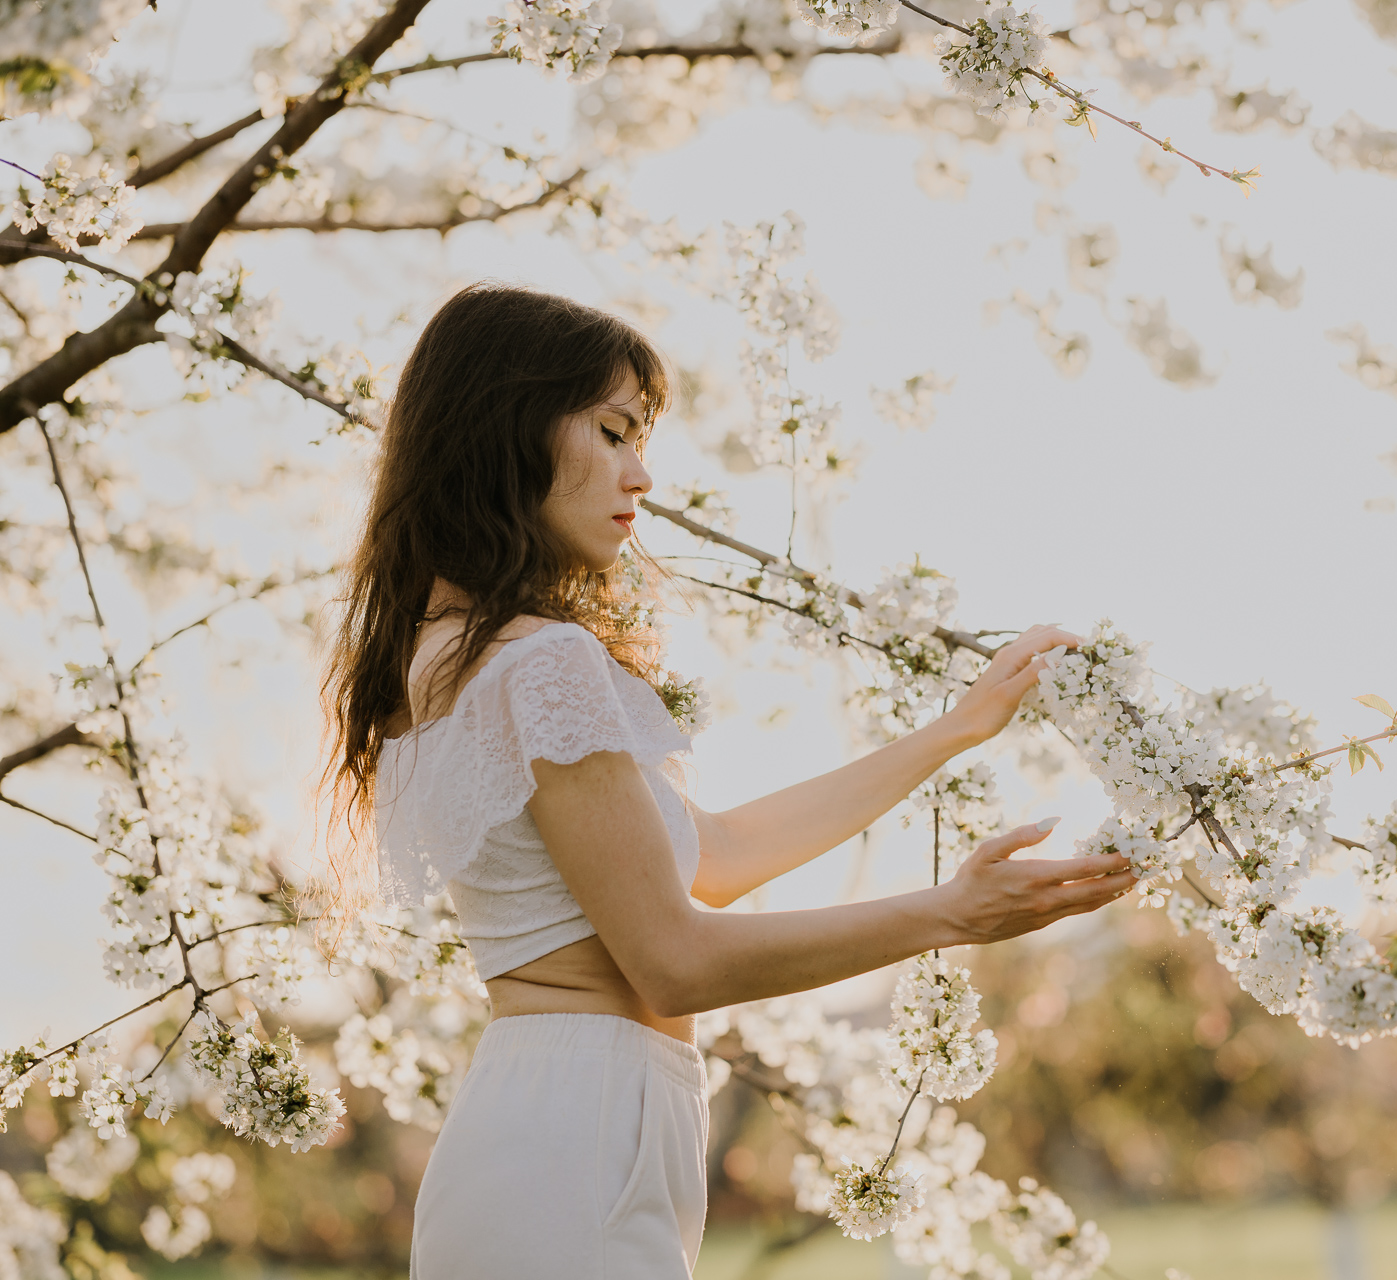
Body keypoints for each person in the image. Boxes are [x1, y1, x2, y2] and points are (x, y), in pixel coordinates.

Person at [320, 282, 1138, 1279]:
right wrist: (953, 913)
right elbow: (674, 957)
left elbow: (718, 856)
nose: (643, 474)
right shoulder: (538, 662)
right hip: (578, 1136)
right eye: (616, 431)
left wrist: (951, 732)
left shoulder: (449, 652)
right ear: (512, 426)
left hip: (565, 1124)